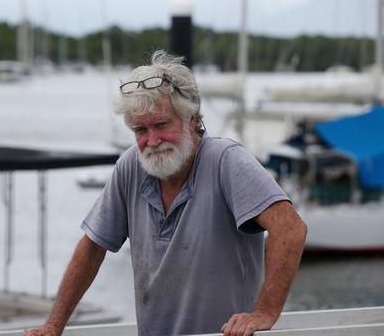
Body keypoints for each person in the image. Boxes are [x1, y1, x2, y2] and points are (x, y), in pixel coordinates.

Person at [23, 50, 307, 336]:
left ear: (192, 120)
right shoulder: (130, 167)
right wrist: (53, 326)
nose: (152, 140)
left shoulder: (225, 160)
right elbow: (92, 248)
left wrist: (264, 312)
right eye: (140, 130)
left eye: (161, 125)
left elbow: (290, 228)